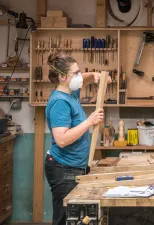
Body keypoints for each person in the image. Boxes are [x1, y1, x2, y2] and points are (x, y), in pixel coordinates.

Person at [44, 52, 111, 225]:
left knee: (77, 219)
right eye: (76, 73)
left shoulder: (71, 92)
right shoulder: (60, 102)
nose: (80, 76)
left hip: (74, 166)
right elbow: (62, 139)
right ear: (63, 77)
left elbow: (84, 79)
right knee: (65, 219)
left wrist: (95, 75)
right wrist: (89, 121)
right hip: (63, 168)